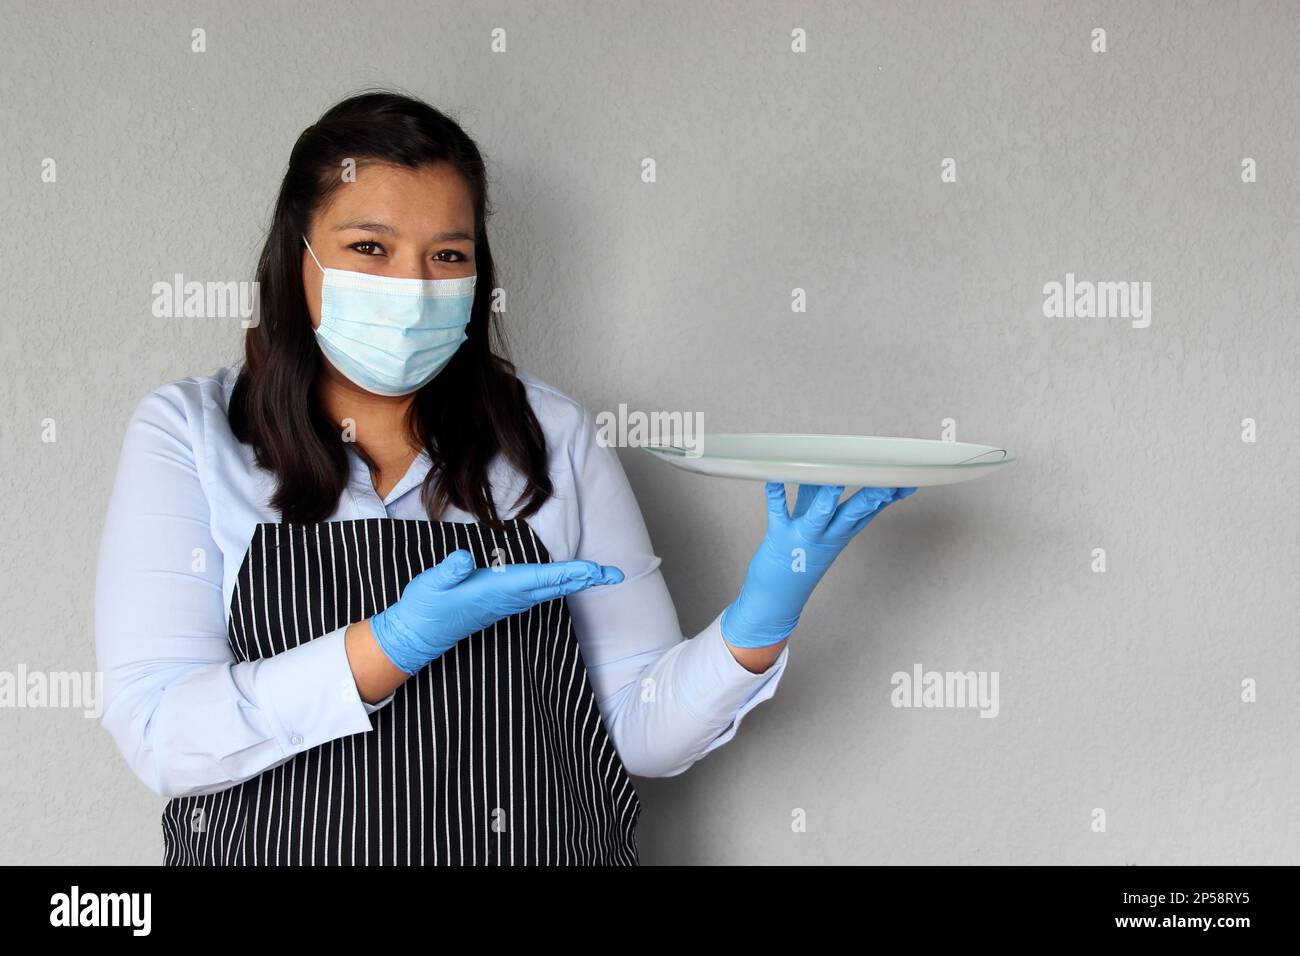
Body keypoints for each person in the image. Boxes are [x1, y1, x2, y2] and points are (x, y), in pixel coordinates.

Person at [93, 90, 916, 866]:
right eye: (369, 248)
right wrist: (389, 646)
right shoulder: (192, 435)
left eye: (447, 255)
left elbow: (638, 734)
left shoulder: (548, 435)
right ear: (296, 255)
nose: (413, 289)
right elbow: (162, 734)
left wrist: (760, 619)